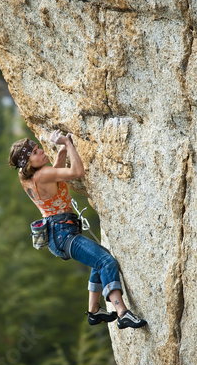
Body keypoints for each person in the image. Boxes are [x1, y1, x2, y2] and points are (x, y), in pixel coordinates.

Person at [8, 130, 147, 329]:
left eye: (38, 148)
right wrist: (68, 144)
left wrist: (63, 150)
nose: (40, 152)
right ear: (29, 162)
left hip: (57, 234)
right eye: (35, 152)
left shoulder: (26, 177)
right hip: (63, 233)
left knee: (99, 259)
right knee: (105, 261)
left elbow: (55, 177)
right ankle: (122, 313)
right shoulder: (42, 174)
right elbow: (77, 172)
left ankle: (94, 311)